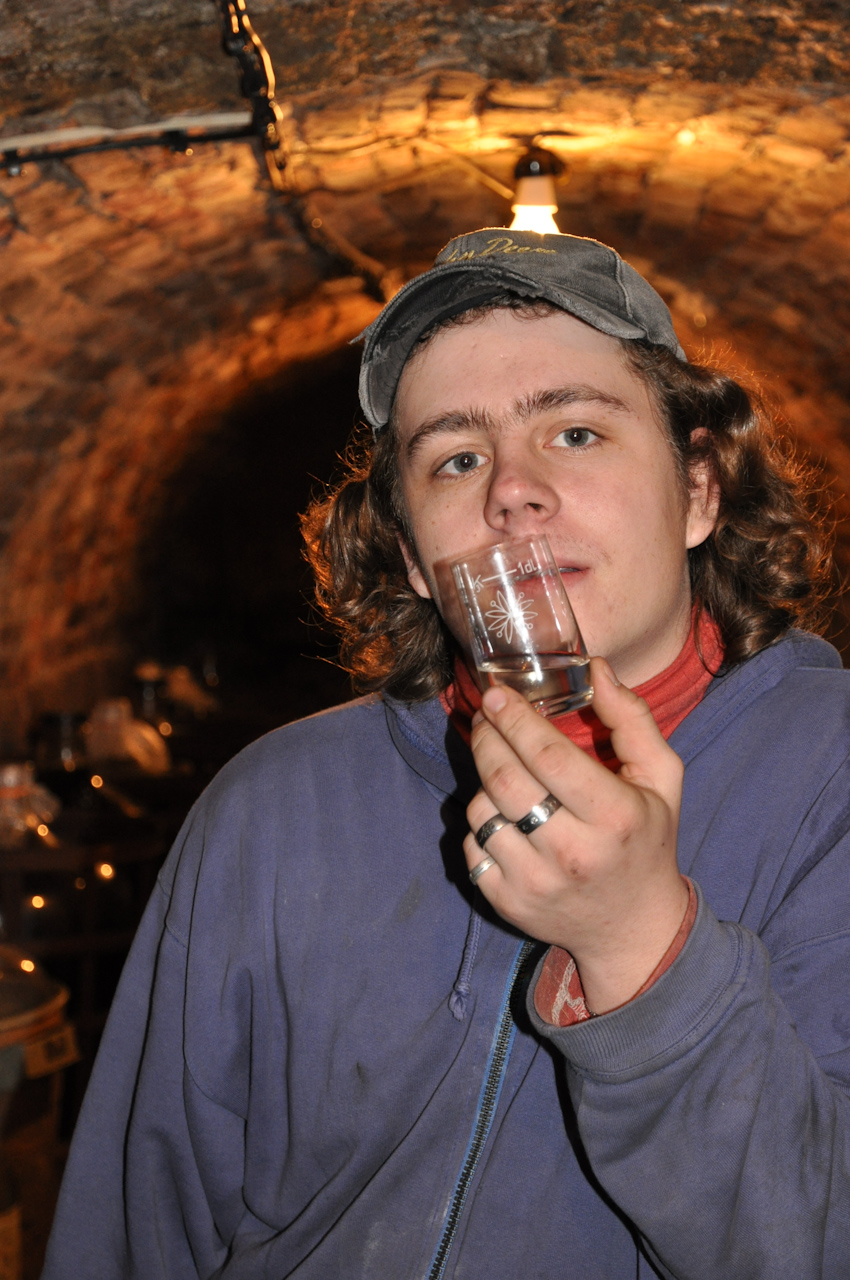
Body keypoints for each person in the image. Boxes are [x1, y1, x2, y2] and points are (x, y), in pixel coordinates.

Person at [42, 229, 850, 1280]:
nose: (512, 490)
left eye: (575, 432)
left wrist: (639, 948)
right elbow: (132, 1226)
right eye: (457, 458)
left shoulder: (829, 778)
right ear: (416, 556)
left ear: (699, 488)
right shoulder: (269, 808)